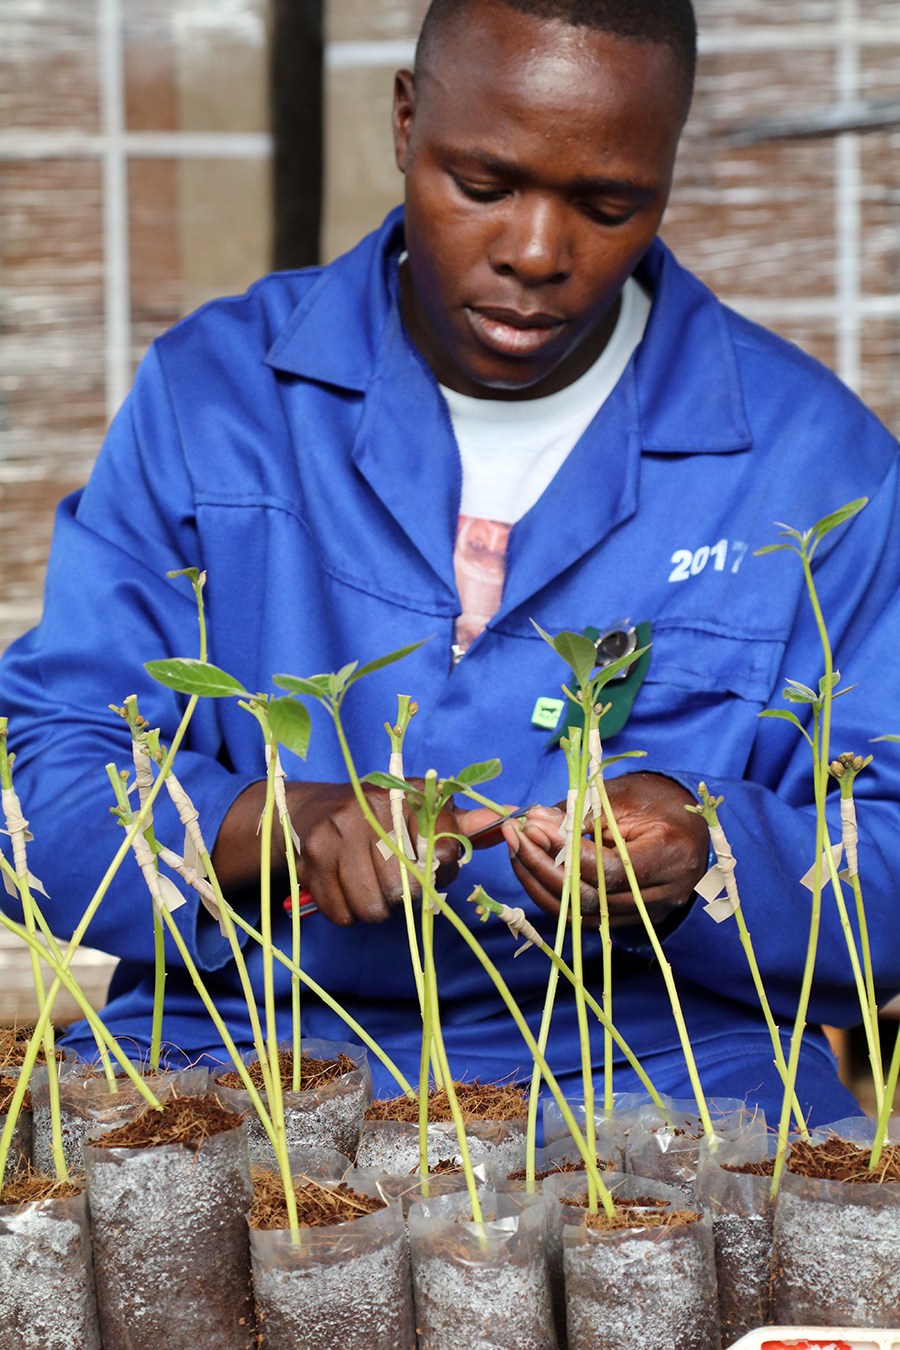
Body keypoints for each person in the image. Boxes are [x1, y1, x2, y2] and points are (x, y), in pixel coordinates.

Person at [1, 0, 898, 1124]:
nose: (536, 253)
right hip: (242, 1045)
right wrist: (282, 822)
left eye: (608, 205)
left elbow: (894, 853)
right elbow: (44, 781)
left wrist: (710, 852)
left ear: (669, 178)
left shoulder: (813, 464)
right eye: (483, 185)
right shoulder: (218, 401)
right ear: (406, 121)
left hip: (661, 1066)